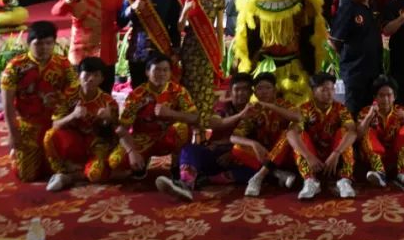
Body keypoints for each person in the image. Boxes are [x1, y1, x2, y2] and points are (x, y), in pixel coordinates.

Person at [157, 72, 257, 201]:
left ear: (251, 92)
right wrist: (240, 115)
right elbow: (215, 124)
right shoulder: (223, 106)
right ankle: (186, 185)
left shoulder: (255, 111)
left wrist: (233, 153)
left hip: (237, 158)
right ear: (230, 93)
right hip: (215, 153)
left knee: (256, 170)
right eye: (237, 89)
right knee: (189, 149)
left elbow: (255, 141)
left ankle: (207, 179)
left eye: (245, 89)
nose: (241, 93)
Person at [1, 21, 78, 182]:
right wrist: (13, 133)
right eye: (39, 43)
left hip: (56, 124)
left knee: (58, 166)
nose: (44, 48)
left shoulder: (63, 64)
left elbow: (75, 92)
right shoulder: (15, 67)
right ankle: (18, 154)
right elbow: (7, 105)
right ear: (29, 43)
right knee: (27, 176)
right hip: (28, 125)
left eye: (49, 43)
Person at [108, 52, 198, 180]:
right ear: (147, 72)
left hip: (168, 136)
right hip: (143, 138)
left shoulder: (178, 91)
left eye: (165, 70)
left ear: (170, 73)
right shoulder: (137, 95)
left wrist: (171, 113)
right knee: (115, 161)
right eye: (157, 70)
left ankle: (177, 165)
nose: (161, 74)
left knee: (182, 127)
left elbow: (194, 117)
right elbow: (122, 128)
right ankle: (140, 165)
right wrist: (131, 151)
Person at [43, 56, 118, 191]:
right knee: (50, 136)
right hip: (74, 140)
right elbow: (55, 124)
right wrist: (73, 115)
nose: (91, 79)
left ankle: (68, 177)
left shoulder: (108, 102)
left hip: (96, 143)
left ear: (102, 79)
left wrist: (107, 119)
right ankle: (63, 170)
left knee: (96, 174)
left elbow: (115, 134)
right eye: (87, 74)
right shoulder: (67, 95)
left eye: (96, 75)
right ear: (79, 76)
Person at [51, 0, 124, 90]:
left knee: (105, 95)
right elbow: (56, 12)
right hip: (81, 55)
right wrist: (68, 0)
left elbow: (122, 20)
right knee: (77, 95)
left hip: (107, 54)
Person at [230, 73, 302, 198]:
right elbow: (233, 137)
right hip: (264, 154)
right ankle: (277, 173)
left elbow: (298, 117)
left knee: (288, 134)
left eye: (267, 88)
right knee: (236, 149)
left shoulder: (284, 104)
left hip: (285, 155)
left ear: (274, 91)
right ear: (255, 93)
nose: (263, 91)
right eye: (260, 88)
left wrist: (270, 106)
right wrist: (254, 144)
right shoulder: (253, 110)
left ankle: (258, 177)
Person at [289, 72, 358, 199]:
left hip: (334, 158)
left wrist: (336, 153)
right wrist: (308, 156)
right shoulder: (305, 109)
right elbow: (290, 134)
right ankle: (310, 181)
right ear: (313, 92)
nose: (330, 93)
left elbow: (353, 132)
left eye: (332, 89)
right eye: (324, 90)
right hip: (312, 159)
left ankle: (345, 180)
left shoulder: (341, 108)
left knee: (345, 133)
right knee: (299, 134)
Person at [179, 0, 227, 132]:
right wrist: (185, 11)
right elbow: (180, 27)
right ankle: (189, 122)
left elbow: (219, 27)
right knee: (189, 83)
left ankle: (204, 122)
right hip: (191, 46)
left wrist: (220, 50)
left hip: (209, 46)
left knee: (206, 84)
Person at [121, 0, 181, 89]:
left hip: (161, 49)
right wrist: (132, 8)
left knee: (161, 89)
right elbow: (121, 21)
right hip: (138, 50)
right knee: (138, 89)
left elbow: (174, 26)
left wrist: (176, 50)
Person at [329, 0, 383, 114]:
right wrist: (350, 58)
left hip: (373, 73)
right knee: (354, 113)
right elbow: (334, 41)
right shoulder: (348, 8)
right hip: (355, 74)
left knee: (369, 114)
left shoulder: (372, 8)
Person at [358, 76, 404, 192]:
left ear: (394, 97)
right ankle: (380, 173)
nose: (385, 99)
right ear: (375, 97)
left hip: (397, 158)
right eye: (381, 95)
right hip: (374, 158)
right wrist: (368, 118)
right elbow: (358, 136)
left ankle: (402, 174)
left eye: (389, 95)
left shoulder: (401, 111)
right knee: (368, 131)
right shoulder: (366, 111)